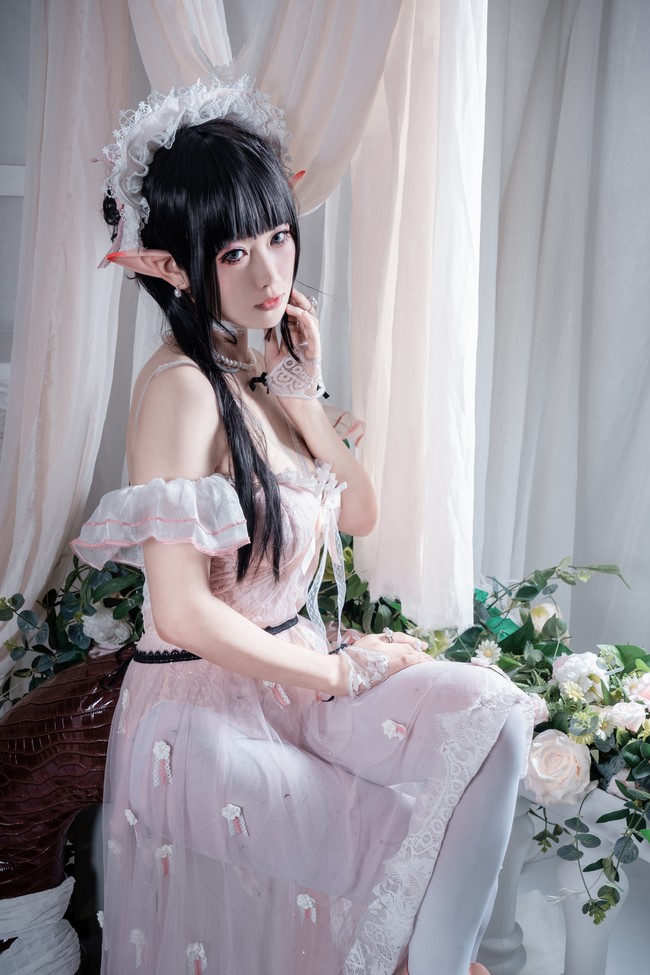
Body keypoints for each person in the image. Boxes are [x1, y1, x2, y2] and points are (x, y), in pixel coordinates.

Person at [73, 77, 531, 975]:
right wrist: (339, 671)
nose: (269, 274)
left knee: (494, 715)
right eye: (233, 251)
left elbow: (358, 511)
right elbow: (182, 611)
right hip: (204, 713)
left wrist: (305, 396)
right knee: (397, 843)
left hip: (291, 683)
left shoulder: (258, 377)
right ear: (170, 265)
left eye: (278, 236)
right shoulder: (181, 389)